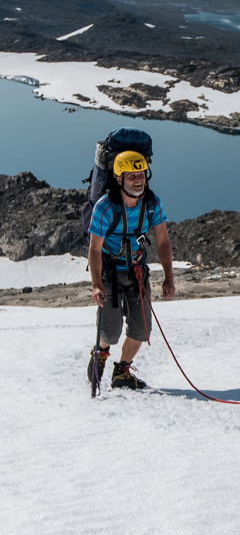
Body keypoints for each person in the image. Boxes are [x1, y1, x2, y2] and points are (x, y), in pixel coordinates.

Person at [87, 151, 175, 390]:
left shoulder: (152, 204)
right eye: (132, 176)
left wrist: (169, 277)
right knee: (110, 331)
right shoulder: (105, 208)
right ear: (118, 178)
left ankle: (122, 371)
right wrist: (96, 284)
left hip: (136, 271)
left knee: (141, 329)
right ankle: (102, 352)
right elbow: (95, 249)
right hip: (110, 275)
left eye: (141, 174)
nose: (138, 180)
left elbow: (163, 241)